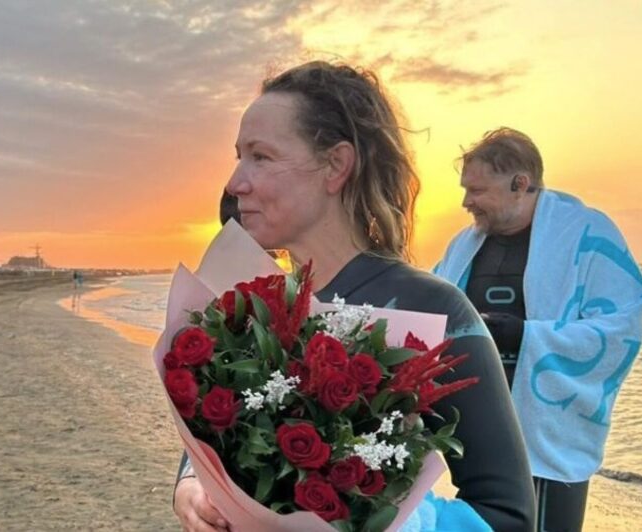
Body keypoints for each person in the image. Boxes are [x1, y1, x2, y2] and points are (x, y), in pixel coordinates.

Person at [173, 62, 536, 532]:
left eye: (260, 157)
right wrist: (191, 487)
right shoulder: (253, 309)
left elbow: (509, 515)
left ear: (335, 166)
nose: (234, 182)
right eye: (239, 156)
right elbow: (208, 437)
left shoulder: (436, 309)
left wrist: (404, 524)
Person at [434, 128, 642, 531]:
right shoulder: (465, 243)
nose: (466, 202)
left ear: (520, 184)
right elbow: (433, 307)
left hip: (547, 432)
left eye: (477, 190)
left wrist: (529, 337)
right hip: (478, 429)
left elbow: (620, 329)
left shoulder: (587, 235)